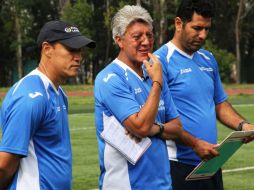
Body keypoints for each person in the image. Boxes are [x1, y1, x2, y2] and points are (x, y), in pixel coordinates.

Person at [94, 5, 219, 190]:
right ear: (119, 40)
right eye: (137, 37)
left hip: (162, 184)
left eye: (149, 35)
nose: (146, 42)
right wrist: (157, 83)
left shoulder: (152, 72)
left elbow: (176, 127)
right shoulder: (110, 78)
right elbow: (141, 126)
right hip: (127, 185)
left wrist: (155, 128)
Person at [154, 0, 254, 189]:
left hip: (211, 162)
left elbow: (220, 104)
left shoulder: (209, 59)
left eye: (207, 29)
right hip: (177, 165)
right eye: (197, 28)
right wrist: (194, 144)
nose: (203, 35)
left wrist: (242, 125)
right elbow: (159, 123)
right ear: (178, 23)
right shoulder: (160, 61)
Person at [0, 20, 95, 189]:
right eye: (71, 49)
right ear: (47, 49)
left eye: (79, 50)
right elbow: (4, 166)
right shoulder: (31, 98)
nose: (78, 57)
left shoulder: (58, 93)